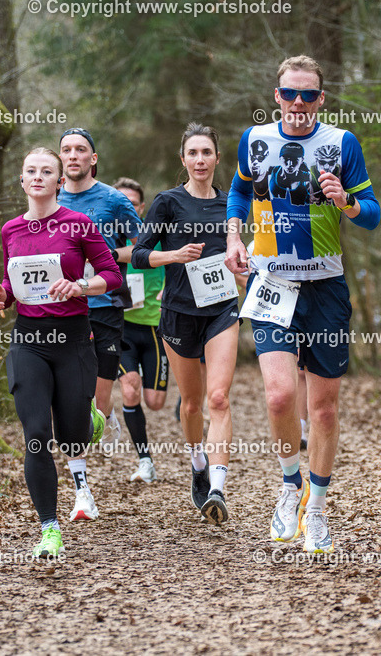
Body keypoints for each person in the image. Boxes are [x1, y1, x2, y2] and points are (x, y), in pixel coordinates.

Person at [225, 55, 381, 553]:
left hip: (326, 289)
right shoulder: (256, 141)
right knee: (278, 397)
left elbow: (373, 215)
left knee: (324, 410)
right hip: (272, 284)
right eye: (290, 93)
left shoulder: (341, 144)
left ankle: (316, 507)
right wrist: (234, 236)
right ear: (276, 96)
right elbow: (237, 192)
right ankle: (289, 486)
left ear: (321, 98)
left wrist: (347, 202)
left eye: (308, 94)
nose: (298, 103)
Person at [0, 147, 122, 558]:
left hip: (74, 339)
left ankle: (90, 421)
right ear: (23, 181)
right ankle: (49, 527)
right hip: (29, 340)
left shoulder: (78, 224)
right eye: (32, 171)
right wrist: (1, 297)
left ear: (60, 181)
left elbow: (112, 275)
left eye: (48, 171)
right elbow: (15, 283)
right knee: (36, 436)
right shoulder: (11, 230)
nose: (39, 176)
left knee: (72, 435)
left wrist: (80, 286)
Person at [132, 123, 240, 525]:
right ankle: (198, 463)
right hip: (178, 313)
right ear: (183, 160)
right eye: (192, 153)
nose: (200, 160)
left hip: (222, 309)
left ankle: (217, 486)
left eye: (206, 152)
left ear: (216, 158)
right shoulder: (167, 202)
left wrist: (243, 267)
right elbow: (139, 255)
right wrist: (174, 256)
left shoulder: (232, 204)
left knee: (218, 399)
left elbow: (239, 254)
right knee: (192, 403)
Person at [57, 128, 142, 519]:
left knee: (96, 402)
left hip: (106, 305)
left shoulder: (112, 199)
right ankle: (81, 489)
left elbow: (142, 245)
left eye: (81, 150)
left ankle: (101, 421)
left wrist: (108, 254)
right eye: (67, 150)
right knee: (71, 399)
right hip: (62, 310)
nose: (73, 155)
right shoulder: (50, 198)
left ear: (93, 158)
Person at [113, 177, 167, 483]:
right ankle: (145, 460)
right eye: (121, 202)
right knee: (130, 386)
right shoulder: (106, 236)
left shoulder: (154, 234)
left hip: (155, 327)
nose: (127, 207)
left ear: (141, 207)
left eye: (132, 203)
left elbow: (179, 262)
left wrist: (169, 287)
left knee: (155, 402)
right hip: (122, 326)